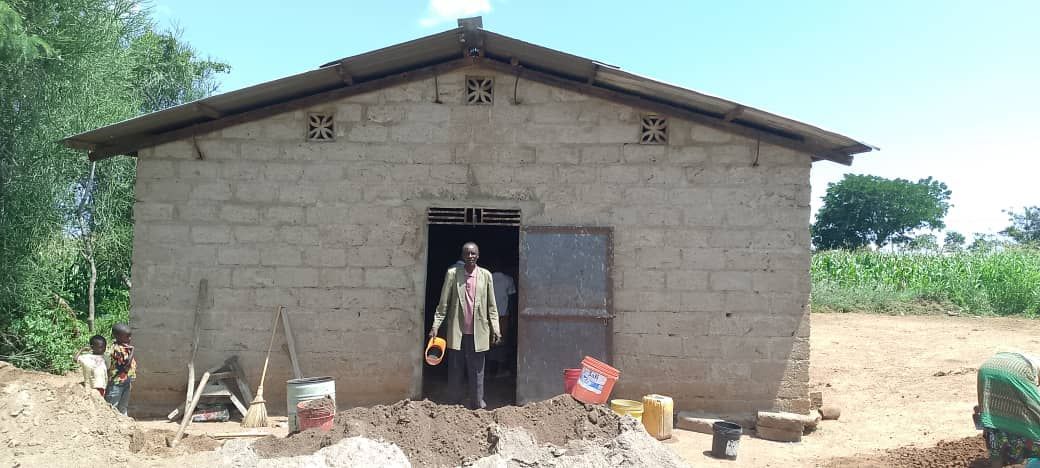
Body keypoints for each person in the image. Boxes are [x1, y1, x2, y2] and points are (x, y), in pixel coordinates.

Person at [429, 242, 501, 410]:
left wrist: (496, 328)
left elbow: (492, 306)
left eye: (473, 253)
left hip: (479, 332)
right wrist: (435, 325)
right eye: (467, 254)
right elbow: (443, 304)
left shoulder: (485, 276)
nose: (470, 256)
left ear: (478, 255)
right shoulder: (453, 275)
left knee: (477, 370)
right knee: (455, 368)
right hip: (457, 331)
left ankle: (477, 403)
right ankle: (453, 405)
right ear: (462, 256)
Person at [976, 351, 1040, 466]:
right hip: (1015, 371)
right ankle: (1021, 450)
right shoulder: (1035, 368)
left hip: (986, 369)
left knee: (992, 411)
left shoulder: (1028, 359)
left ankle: (997, 455)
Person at [490, 263, 516, 377]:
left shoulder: (487, 278)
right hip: (503, 316)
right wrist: (513, 316)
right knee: (501, 342)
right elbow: (511, 300)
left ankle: (489, 370)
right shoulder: (508, 280)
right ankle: (500, 370)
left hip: (488, 316)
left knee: (489, 343)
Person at [106, 323, 137, 416]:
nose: (129, 339)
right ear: (117, 336)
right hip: (117, 383)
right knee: (112, 406)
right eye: (127, 336)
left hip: (125, 382)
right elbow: (126, 366)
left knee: (123, 406)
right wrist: (132, 351)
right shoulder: (116, 349)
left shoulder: (125, 347)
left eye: (130, 336)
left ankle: (123, 426)